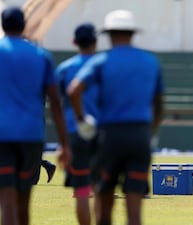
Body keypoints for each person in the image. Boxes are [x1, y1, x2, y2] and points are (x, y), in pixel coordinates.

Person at [67, 9, 164, 225]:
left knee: (104, 204)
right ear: (132, 33)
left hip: (110, 135)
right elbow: (158, 104)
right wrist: (152, 130)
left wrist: (82, 119)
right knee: (134, 209)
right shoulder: (150, 61)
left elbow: (74, 90)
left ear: (109, 34)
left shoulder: (102, 60)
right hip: (140, 134)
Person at [0, 6, 70, 225]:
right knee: (24, 201)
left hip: (2, 135)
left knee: (7, 200)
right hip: (31, 136)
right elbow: (56, 102)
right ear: (24, 25)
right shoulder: (42, 56)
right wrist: (65, 143)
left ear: (2, 25)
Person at [55, 22, 98, 225]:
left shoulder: (65, 68)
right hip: (101, 133)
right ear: (96, 42)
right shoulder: (103, 65)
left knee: (81, 192)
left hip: (75, 133)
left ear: (74, 42)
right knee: (101, 191)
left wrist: (63, 144)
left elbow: (57, 105)